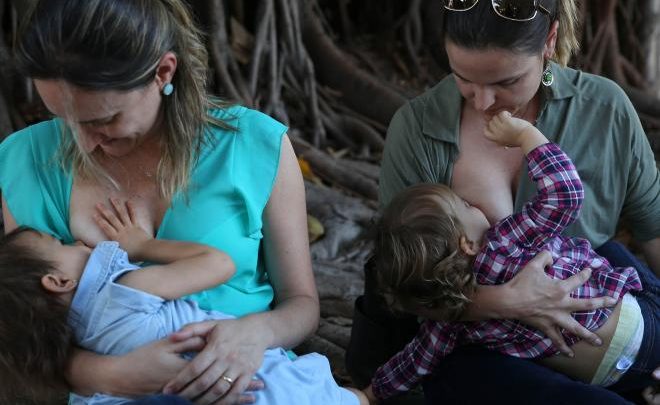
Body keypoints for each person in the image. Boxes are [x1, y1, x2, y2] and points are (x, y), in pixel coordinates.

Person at [0, 0, 320, 403]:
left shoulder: (254, 145)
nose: (83, 143)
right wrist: (107, 374)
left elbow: (302, 304)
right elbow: (24, 325)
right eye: (64, 119)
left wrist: (257, 332)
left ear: (163, 72)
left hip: (254, 385)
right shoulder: (22, 161)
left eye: (103, 119)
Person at [346, 0, 660, 403]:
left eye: (506, 82)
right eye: (463, 79)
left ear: (550, 42)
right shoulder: (417, 128)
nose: (482, 102)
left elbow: (652, 231)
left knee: (612, 252)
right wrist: (504, 302)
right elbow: (403, 273)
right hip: (490, 346)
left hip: (615, 312)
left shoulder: (604, 109)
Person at [363, 111, 658, 402]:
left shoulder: (447, 326)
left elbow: (413, 362)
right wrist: (527, 136)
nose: (473, 204)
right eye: (465, 205)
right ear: (467, 244)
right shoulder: (503, 243)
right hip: (647, 331)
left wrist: (369, 394)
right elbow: (565, 195)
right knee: (607, 247)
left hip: (610, 378)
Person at [0, 200, 366, 405]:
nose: (77, 243)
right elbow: (217, 264)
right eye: (60, 245)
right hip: (262, 385)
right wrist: (143, 246)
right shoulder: (120, 293)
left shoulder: (83, 334)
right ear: (59, 281)